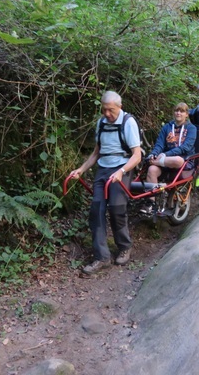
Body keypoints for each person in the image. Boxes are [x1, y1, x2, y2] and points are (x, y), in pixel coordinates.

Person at [68, 91, 143, 275]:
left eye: (111, 110)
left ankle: (124, 247)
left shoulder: (128, 122)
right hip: (103, 169)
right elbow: (96, 153)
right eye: (104, 110)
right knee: (96, 211)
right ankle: (102, 257)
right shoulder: (101, 123)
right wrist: (81, 169)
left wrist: (122, 171)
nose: (107, 114)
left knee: (117, 208)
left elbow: (137, 155)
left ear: (120, 107)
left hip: (122, 167)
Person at [140, 103, 197, 213]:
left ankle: (153, 162)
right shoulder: (167, 127)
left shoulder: (191, 128)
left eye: (182, 111)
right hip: (164, 161)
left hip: (182, 160)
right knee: (151, 170)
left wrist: (165, 155)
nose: (178, 113)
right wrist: (154, 153)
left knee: (177, 160)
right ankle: (151, 203)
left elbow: (186, 147)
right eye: (176, 110)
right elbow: (159, 144)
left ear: (186, 114)